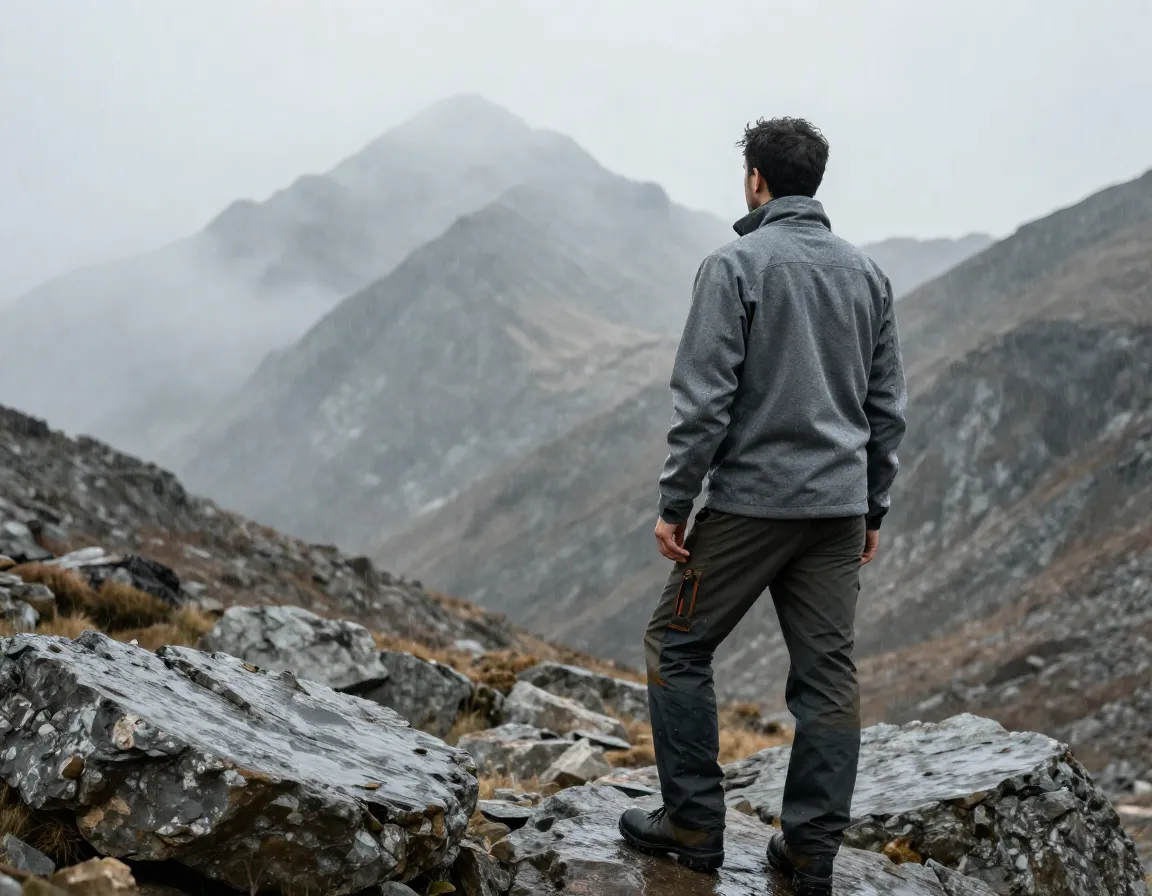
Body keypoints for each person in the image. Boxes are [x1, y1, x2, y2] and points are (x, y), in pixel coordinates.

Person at [618, 117, 907, 896]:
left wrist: (676, 504)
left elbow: (703, 403)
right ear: (816, 179)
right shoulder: (868, 276)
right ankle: (810, 853)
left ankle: (692, 825)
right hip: (839, 510)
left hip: (752, 506)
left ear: (756, 180)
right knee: (828, 676)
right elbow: (886, 409)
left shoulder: (735, 266)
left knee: (675, 645)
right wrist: (872, 506)